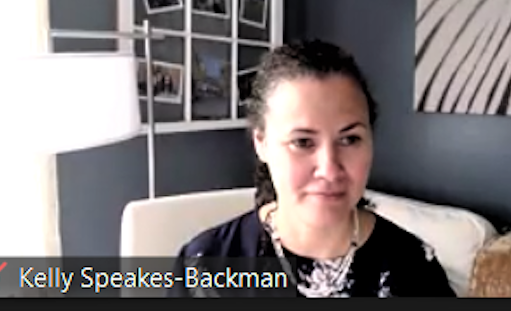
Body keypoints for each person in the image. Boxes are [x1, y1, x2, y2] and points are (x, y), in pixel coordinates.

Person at [179, 39, 457, 297]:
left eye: (350, 139)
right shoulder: (205, 267)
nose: (329, 169)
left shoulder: (414, 269)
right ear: (261, 144)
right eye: (302, 142)